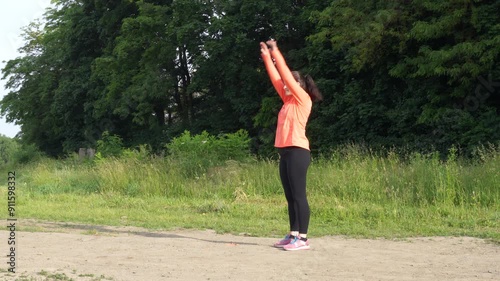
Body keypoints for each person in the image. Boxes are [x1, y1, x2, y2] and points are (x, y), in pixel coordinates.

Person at [260, 39, 322, 251]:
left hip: (298, 152)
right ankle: (293, 233)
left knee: (298, 195)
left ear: (300, 86)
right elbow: (277, 78)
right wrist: (267, 57)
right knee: (289, 196)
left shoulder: (303, 99)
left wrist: (276, 51)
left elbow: (285, 74)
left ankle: (302, 239)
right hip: (286, 152)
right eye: (287, 85)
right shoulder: (287, 102)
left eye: (291, 84)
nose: (286, 85)